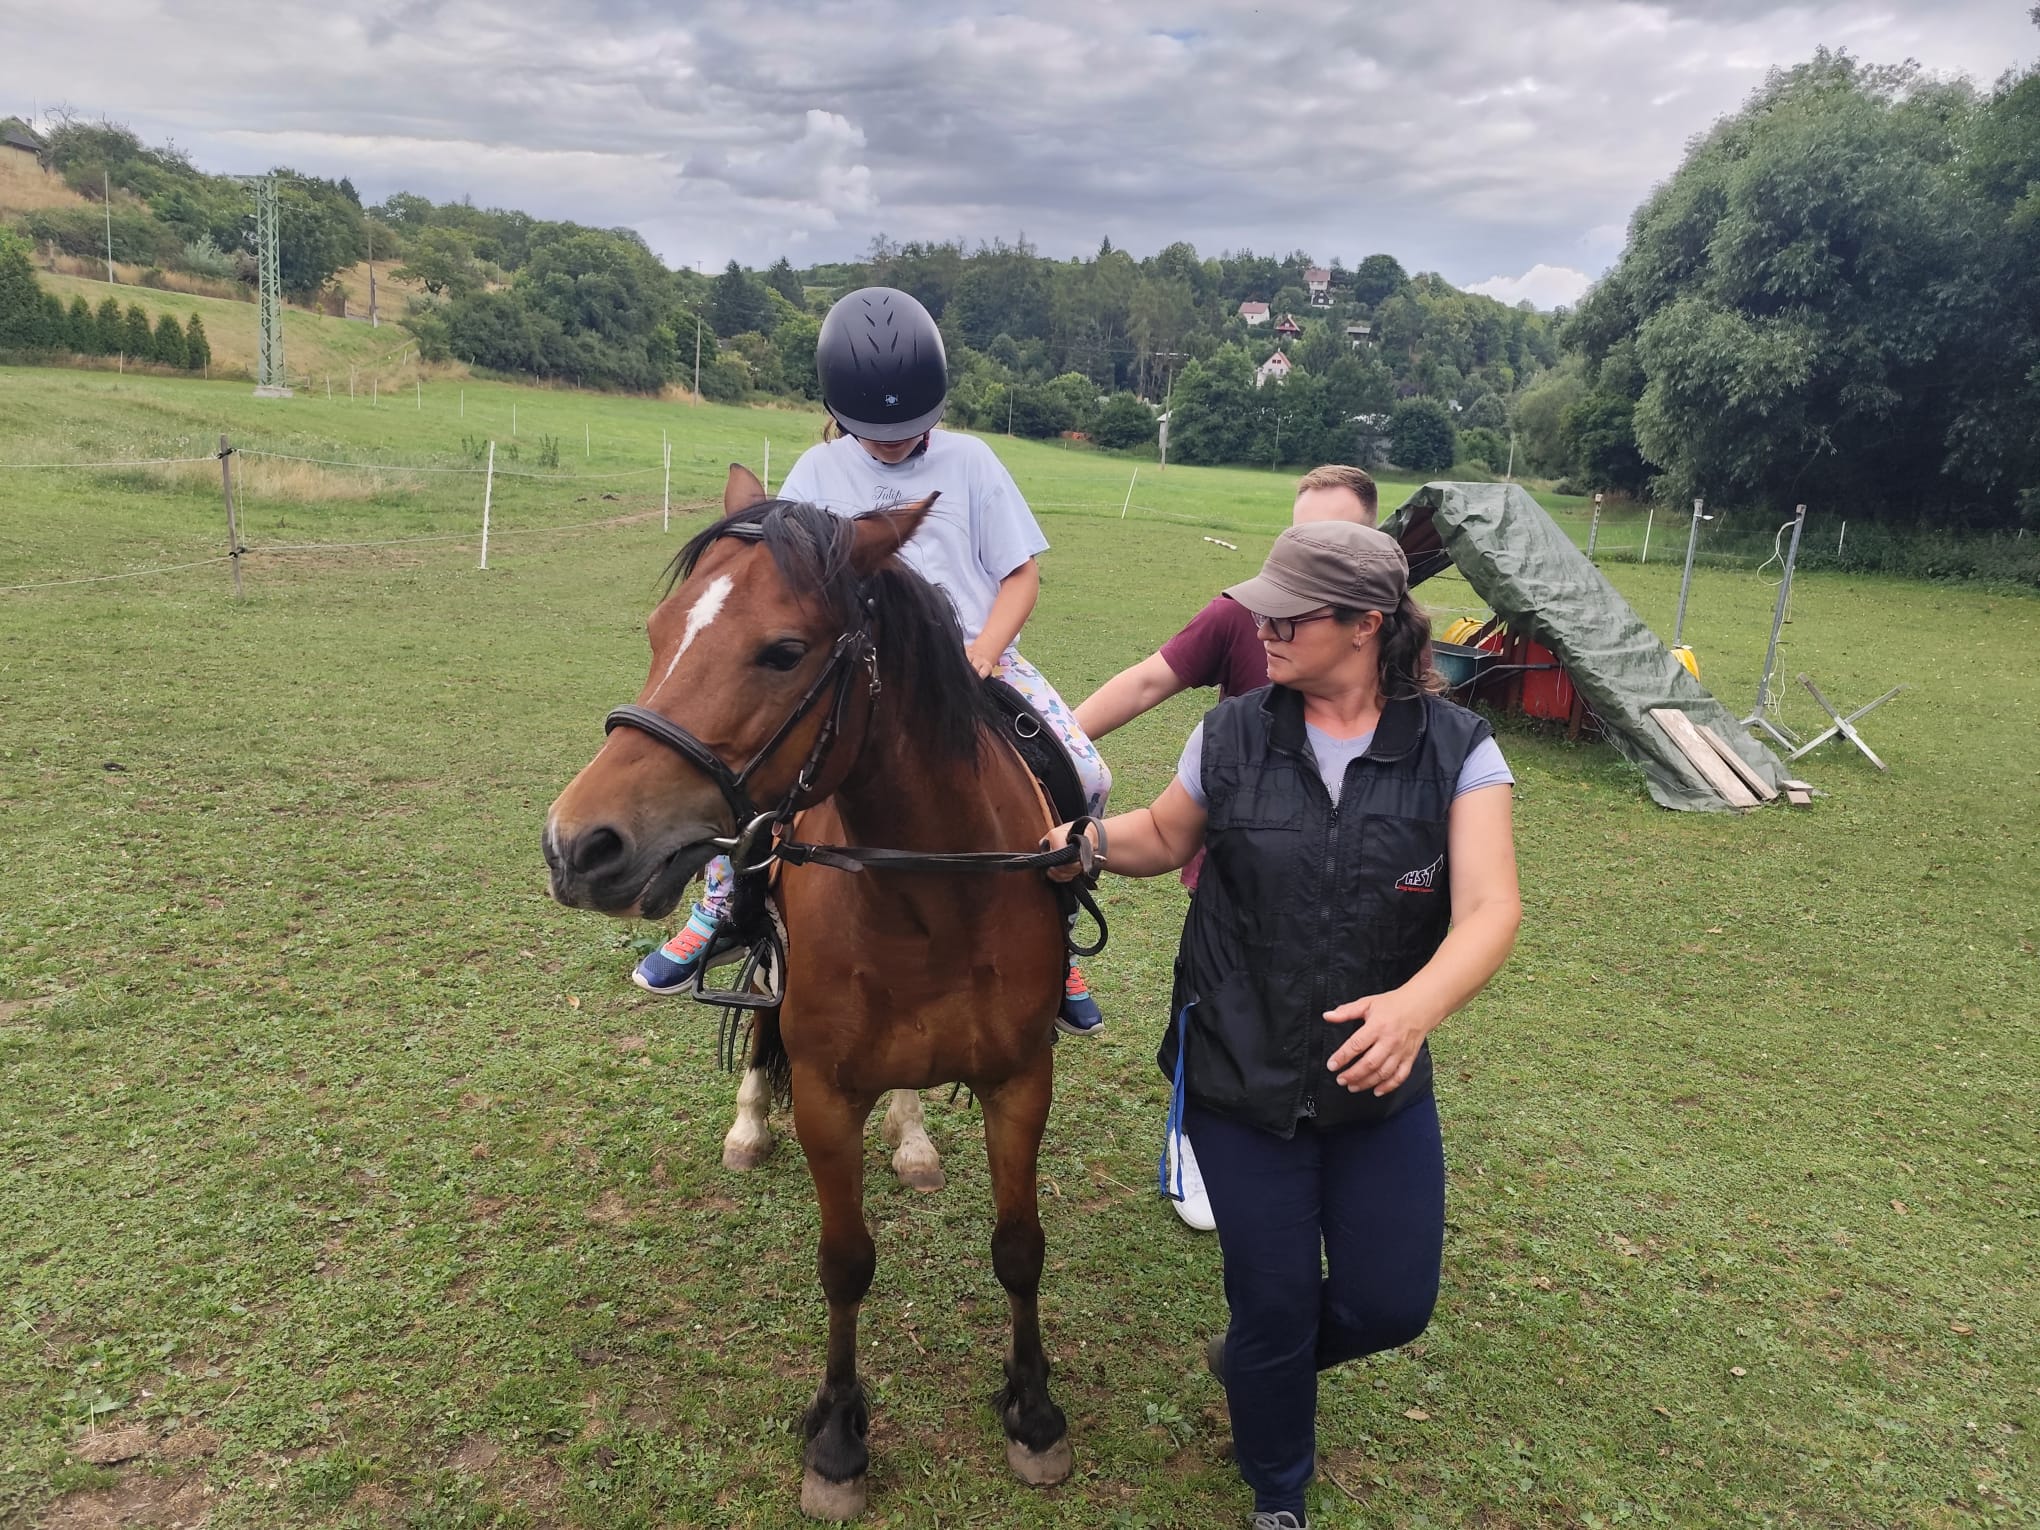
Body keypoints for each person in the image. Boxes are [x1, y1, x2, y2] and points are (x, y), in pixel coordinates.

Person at [1048, 521, 1521, 1530]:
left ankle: (1259, 1363)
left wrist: (1417, 1006)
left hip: (1375, 1081)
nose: (1260, 628)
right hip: (1238, 1065)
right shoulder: (1230, 732)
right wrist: (1080, 842)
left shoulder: (1458, 751)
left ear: (1365, 624)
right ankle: (1278, 1490)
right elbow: (1163, 835)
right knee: (1272, 1301)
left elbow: (1491, 908)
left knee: (1392, 1303)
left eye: (1287, 616)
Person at [632, 286, 1114, 1034]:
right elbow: (775, 580)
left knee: (1086, 772)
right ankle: (722, 904)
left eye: (909, 427)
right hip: (852, 665)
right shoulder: (818, 471)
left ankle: (1060, 925)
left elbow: (1021, 576)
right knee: (753, 770)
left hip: (972, 659)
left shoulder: (972, 461)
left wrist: (985, 653)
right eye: (873, 430)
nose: (891, 442)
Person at [1073, 465, 1378, 1229]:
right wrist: (1055, 743)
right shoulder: (1243, 614)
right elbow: (1148, 682)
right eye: (1301, 537)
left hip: (1346, 874)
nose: (1313, 557)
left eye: (1337, 539)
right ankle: (1194, 1132)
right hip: (1239, 864)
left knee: (1332, 1004)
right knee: (1218, 1003)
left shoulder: (1388, 634)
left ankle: (1317, 1133)